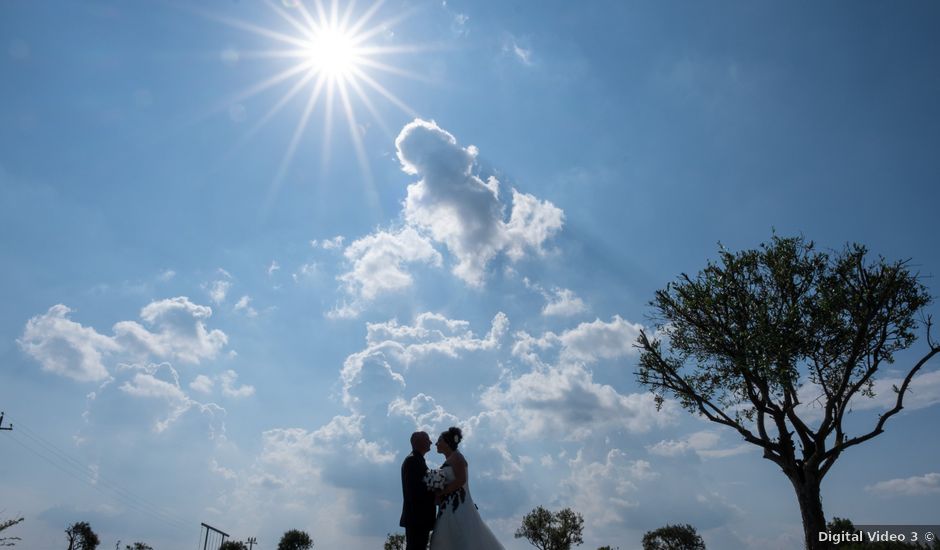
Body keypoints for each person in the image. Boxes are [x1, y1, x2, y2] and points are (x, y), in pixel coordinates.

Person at [428, 427, 505, 550]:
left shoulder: (457, 457)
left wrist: (442, 492)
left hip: (458, 506)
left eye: (439, 441)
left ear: (447, 442)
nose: (436, 444)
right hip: (447, 507)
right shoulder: (451, 458)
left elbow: (461, 480)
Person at [400, 431, 437, 550]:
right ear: (418, 442)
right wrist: (437, 492)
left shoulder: (417, 460)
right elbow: (415, 491)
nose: (431, 442)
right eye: (427, 439)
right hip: (417, 518)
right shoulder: (413, 461)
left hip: (418, 518)